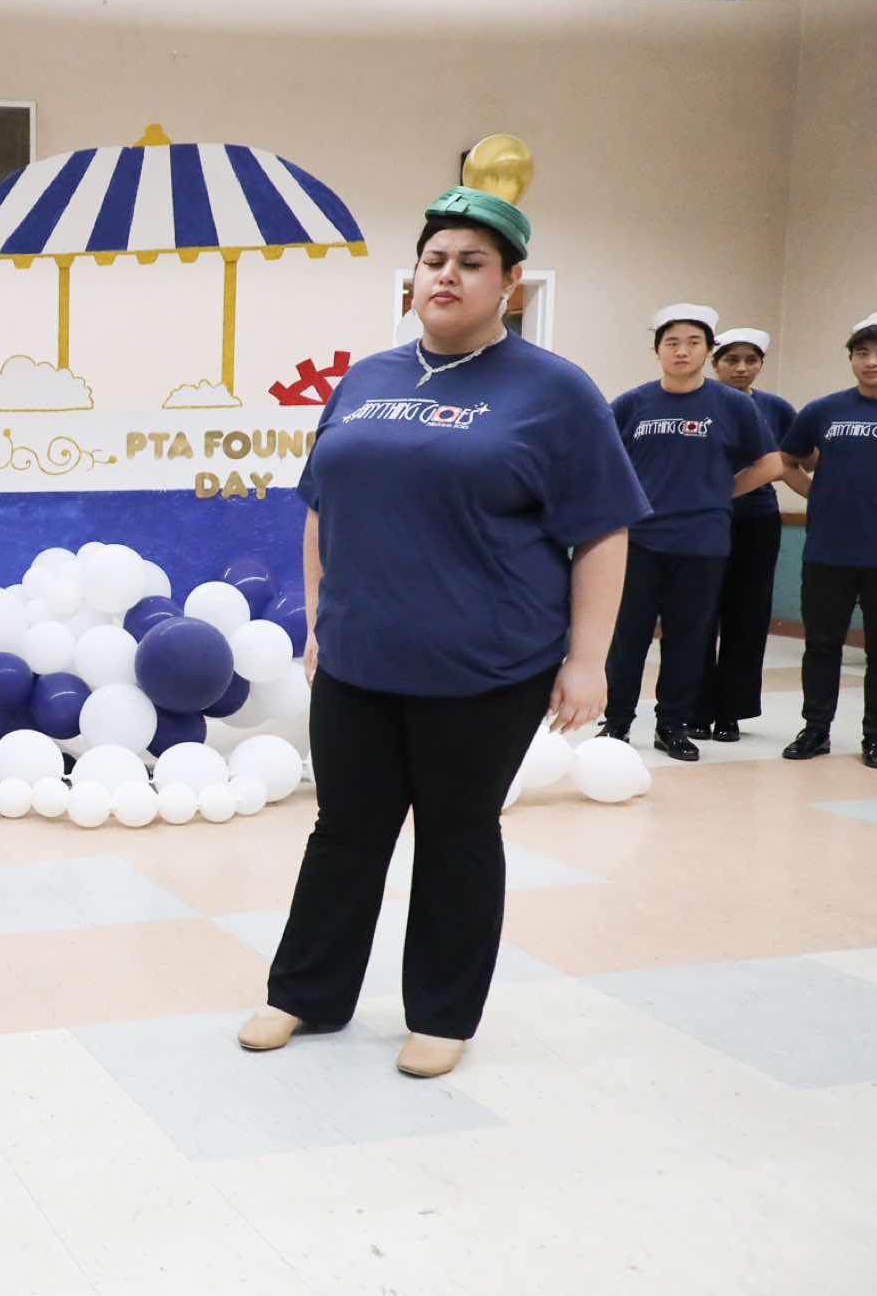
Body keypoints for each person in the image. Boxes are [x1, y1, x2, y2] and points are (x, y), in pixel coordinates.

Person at [237, 183, 649, 1080]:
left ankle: (441, 1012)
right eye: (434, 260)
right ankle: (307, 991)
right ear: (413, 276)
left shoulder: (555, 391)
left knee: (457, 834)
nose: (447, 276)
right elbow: (321, 506)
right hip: (359, 658)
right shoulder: (366, 379)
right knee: (344, 830)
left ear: (509, 284)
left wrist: (588, 659)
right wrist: (319, 617)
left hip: (485, 664)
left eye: (471, 262)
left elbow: (602, 531)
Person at [601, 306, 781, 760]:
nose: (681, 351)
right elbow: (601, 460)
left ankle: (673, 726)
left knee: (688, 639)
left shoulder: (733, 405)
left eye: (693, 343)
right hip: (639, 542)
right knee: (628, 638)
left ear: (708, 351)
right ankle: (616, 723)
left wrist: (721, 492)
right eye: (672, 343)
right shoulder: (631, 404)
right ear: (657, 351)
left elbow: (770, 463)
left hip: (703, 543)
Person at [777, 311, 877, 770]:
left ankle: (876, 736)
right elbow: (789, 460)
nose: (872, 362)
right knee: (821, 645)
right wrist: (819, 497)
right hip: (829, 551)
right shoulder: (824, 410)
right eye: (862, 353)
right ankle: (815, 729)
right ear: (850, 359)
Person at [694, 328, 809, 741]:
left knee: (748, 615)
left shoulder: (776, 408)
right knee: (697, 614)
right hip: (701, 521)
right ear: (714, 363)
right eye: (731, 360)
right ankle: (694, 708)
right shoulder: (698, 403)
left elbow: (795, 460)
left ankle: (731, 711)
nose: (741, 368)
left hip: (757, 521)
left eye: (751, 360)